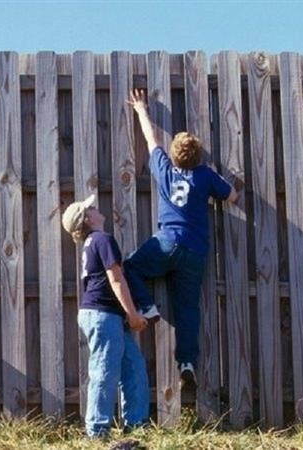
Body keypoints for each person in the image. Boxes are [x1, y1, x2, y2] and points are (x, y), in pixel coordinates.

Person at [125, 89, 239, 389]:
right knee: (187, 308)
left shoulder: (164, 169)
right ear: (198, 156)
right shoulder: (204, 176)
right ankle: (187, 362)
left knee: (130, 267)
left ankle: (147, 307)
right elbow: (233, 196)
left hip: (166, 242)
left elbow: (151, 140)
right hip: (195, 251)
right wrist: (215, 177)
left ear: (174, 155)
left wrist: (141, 110)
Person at [61, 194, 150, 438]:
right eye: (92, 208)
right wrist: (132, 315)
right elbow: (116, 279)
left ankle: (136, 425)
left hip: (105, 315)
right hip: (103, 315)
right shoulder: (102, 239)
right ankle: (97, 431)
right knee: (104, 370)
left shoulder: (92, 242)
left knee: (133, 367)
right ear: (88, 218)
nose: (97, 209)